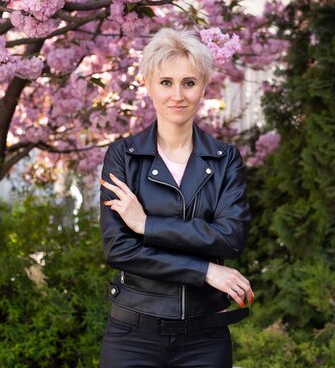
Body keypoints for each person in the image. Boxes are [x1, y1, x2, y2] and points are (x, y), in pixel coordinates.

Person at [99, 28, 253, 368]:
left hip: (204, 338)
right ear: (149, 85)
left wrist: (145, 224)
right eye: (166, 82)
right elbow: (119, 249)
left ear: (203, 87)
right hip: (133, 335)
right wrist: (205, 271)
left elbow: (230, 237)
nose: (177, 95)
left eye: (189, 82)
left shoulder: (225, 159)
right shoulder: (124, 156)